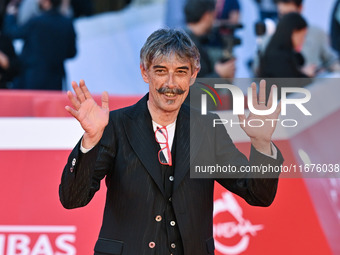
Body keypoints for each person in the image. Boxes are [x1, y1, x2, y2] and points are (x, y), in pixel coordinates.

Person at [59, 28, 283, 254]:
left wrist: (262, 144)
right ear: (145, 73)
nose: (171, 83)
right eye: (161, 71)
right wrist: (90, 141)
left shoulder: (206, 128)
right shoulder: (115, 126)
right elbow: (72, 198)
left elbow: (258, 194)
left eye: (181, 72)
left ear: (193, 75)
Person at [3, 0, 76, 90]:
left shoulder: (36, 22)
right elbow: (72, 53)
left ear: (46, 2)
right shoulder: (67, 23)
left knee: (28, 104)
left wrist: (10, 16)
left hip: (31, 79)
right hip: (55, 80)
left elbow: (12, 32)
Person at [274, 0, 340, 73]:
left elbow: (332, 61)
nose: (286, 20)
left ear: (300, 8)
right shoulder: (270, 36)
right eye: (282, 14)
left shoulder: (316, 34)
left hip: (314, 83)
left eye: (290, 14)